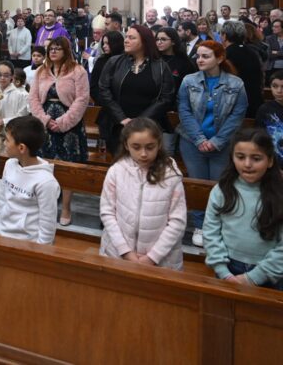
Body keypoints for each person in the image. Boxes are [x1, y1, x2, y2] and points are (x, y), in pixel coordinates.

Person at [178, 40, 248, 247]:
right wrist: (199, 139)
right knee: (198, 184)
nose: (200, 60)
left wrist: (217, 141)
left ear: (219, 58)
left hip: (222, 143)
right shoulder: (189, 81)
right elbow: (184, 111)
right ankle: (200, 225)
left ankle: (216, 226)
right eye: (198, 56)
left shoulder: (235, 84)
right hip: (192, 142)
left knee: (220, 186)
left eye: (205, 56)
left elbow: (237, 115)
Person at [99, 118, 187, 270]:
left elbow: (177, 221)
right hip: (117, 253)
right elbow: (107, 212)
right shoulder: (116, 171)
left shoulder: (171, 175)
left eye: (150, 147)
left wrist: (153, 257)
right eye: (136, 147)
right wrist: (125, 251)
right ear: (126, 145)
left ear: (159, 144)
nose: (144, 154)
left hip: (162, 260)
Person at [203, 128, 283, 290]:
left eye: (256, 158)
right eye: (240, 157)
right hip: (227, 268)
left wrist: (253, 277)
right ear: (232, 158)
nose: (247, 164)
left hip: (270, 273)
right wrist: (223, 271)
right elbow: (210, 232)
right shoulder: (222, 190)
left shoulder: (279, 194)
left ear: (270, 161)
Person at [28, 37, 89, 226]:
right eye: (51, 49)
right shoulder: (41, 71)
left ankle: (66, 208)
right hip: (45, 124)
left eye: (57, 48)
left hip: (69, 124)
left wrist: (63, 122)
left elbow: (82, 99)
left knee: (68, 167)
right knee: (44, 165)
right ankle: (45, 206)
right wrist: (44, 119)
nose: (53, 51)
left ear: (66, 51)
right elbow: (33, 98)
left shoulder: (78, 70)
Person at [98, 25, 175, 154]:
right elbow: (104, 90)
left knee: (144, 162)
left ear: (144, 41)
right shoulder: (114, 62)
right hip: (118, 125)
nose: (126, 40)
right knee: (121, 163)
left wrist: (141, 121)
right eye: (126, 37)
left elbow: (166, 97)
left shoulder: (160, 66)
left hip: (148, 126)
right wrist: (121, 118)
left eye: (132, 38)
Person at [0, 116, 60, 244]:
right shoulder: (10, 164)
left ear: (21, 148)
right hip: (1, 235)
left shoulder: (46, 182)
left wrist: (39, 252)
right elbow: (1, 202)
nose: (4, 143)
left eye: (7, 140)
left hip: (27, 243)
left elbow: (47, 224)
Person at [222, 20, 264, 118]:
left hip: (235, 105)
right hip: (254, 101)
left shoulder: (225, 54)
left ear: (224, 36)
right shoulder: (252, 52)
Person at [0, 62, 30, 131]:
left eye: (6, 75)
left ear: (12, 76)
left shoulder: (20, 94)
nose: (2, 78)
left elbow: (22, 116)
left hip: (12, 131)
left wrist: (4, 121)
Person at [255, 70, 283, 165]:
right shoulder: (265, 109)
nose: (279, 91)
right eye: (275, 86)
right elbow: (259, 137)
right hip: (272, 161)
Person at [89, 31, 125, 105]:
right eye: (103, 43)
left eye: (107, 43)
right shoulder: (100, 61)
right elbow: (93, 86)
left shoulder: (126, 60)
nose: (104, 46)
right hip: (103, 104)